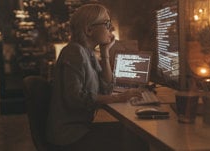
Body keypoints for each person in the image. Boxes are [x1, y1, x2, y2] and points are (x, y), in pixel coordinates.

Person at [46, 3, 143, 151]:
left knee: (133, 135)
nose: (111, 29)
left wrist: (105, 52)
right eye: (107, 23)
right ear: (89, 30)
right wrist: (119, 98)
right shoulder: (74, 52)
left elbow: (106, 88)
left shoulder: (88, 53)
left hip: (81, 130)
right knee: (136, 140)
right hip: (69, 137)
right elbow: (75, 99)